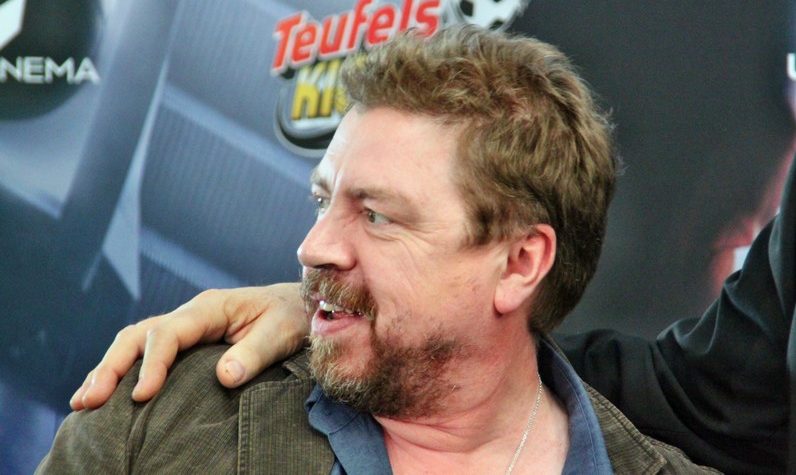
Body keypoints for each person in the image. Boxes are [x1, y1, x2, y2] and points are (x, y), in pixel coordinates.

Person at [37, 26, 715, 473]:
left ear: (519, 264)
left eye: (378, 215)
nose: (313, 247)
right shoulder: (161, 417)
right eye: (322, 200)